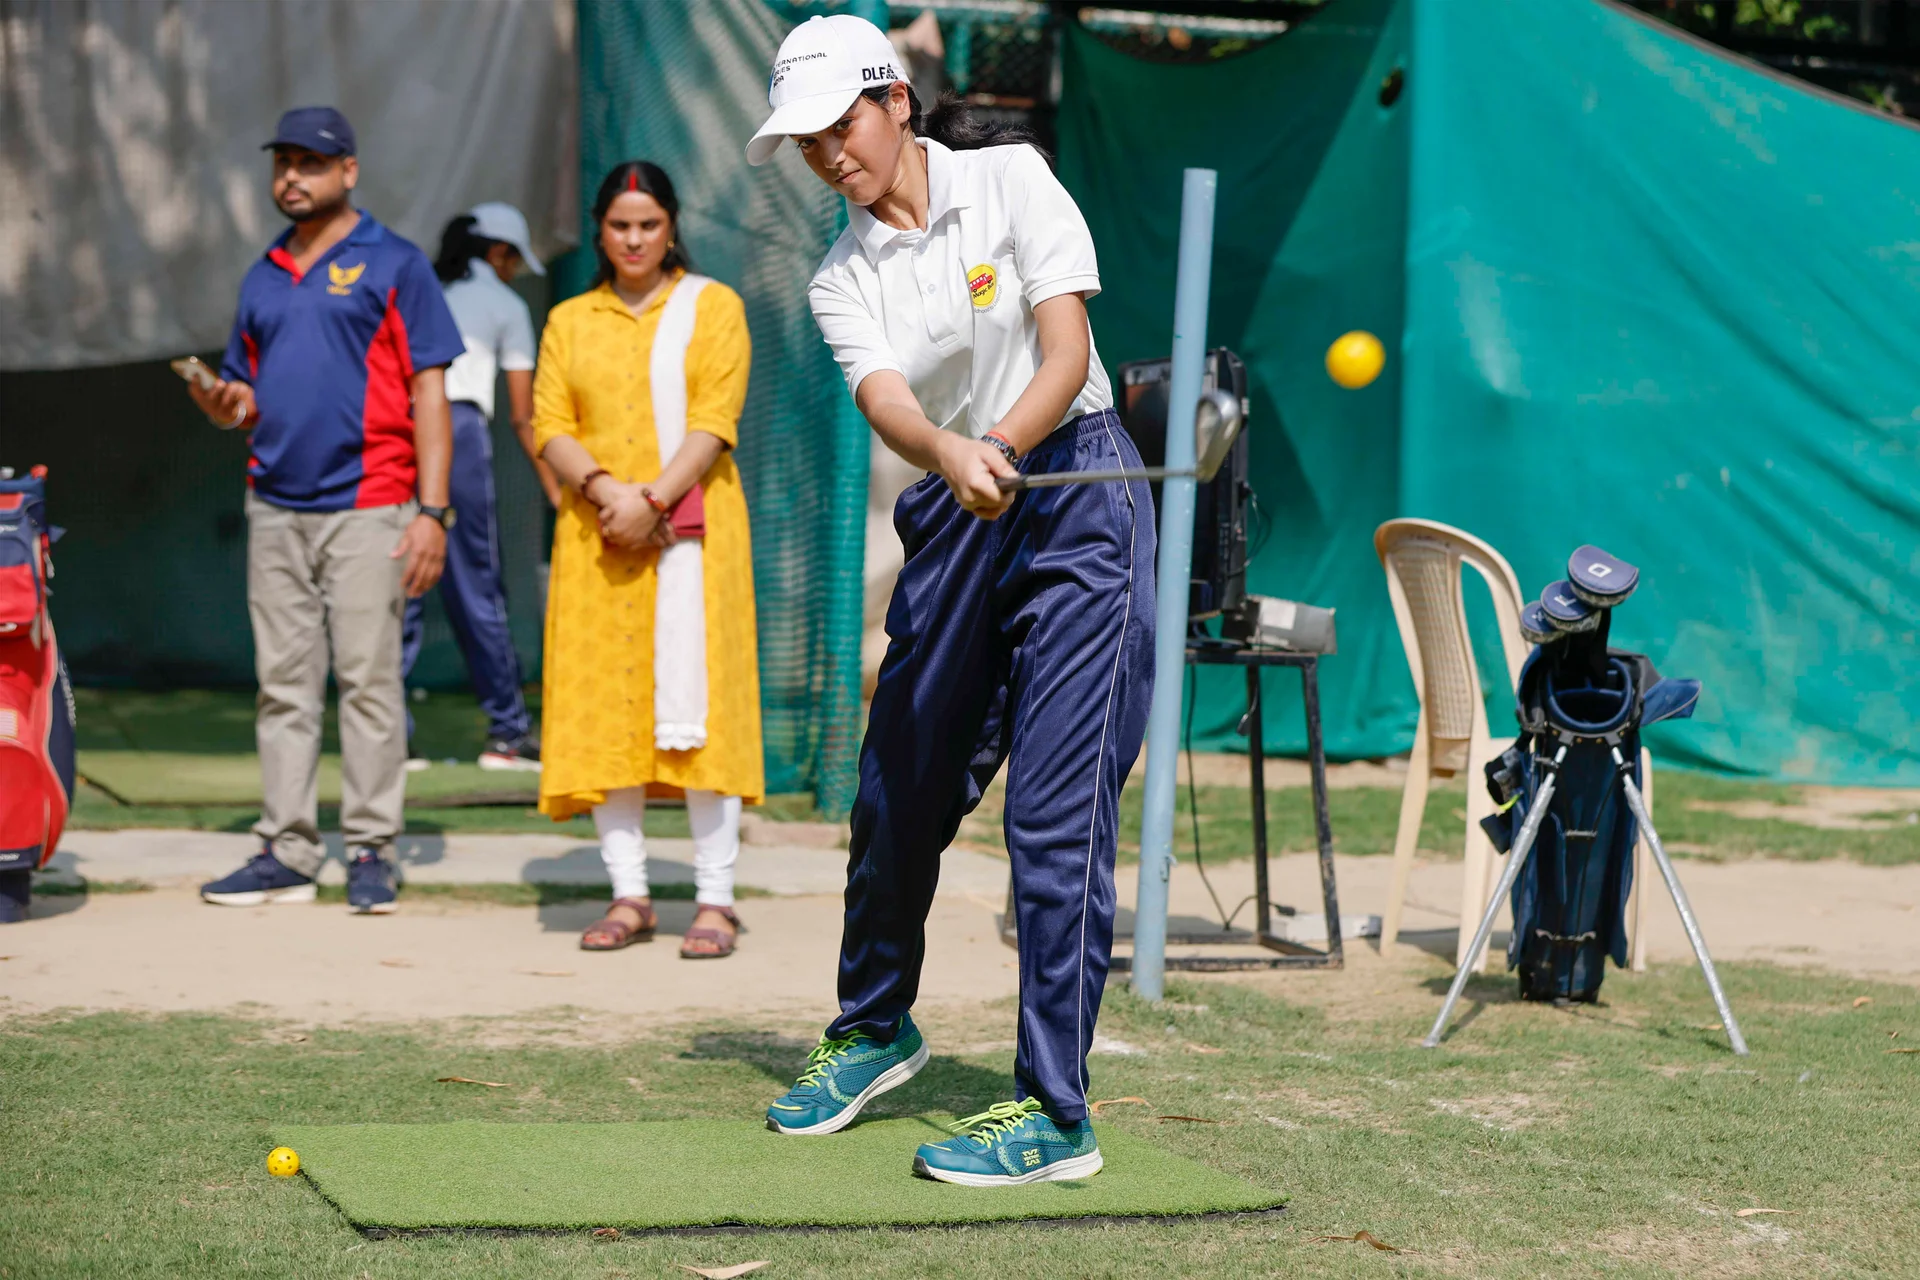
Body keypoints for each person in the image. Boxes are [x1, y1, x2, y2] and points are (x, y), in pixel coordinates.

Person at [744, 16, 1155, 1186]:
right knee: (897, 783)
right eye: (807, 139)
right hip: (957, 508)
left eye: (840, 124)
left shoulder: (1014, 178)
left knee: (1055, 808)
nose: (828, 154)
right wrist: (952, 454)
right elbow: (889, 407)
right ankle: (876, 1026)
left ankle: (1057, 1112)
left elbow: (1065, 352)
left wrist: (1002, 444)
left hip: (1077, 488)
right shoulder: (839, 277)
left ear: (896, 101)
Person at [185, 106, 463, 914]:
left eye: (311, 162)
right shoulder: (264, 270)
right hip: (273, 505)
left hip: (372, 506)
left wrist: (431, 513)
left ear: (349, 172)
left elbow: (430, 395)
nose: (292, 177)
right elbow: (243, 397)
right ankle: (289, 848)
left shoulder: (397, 263)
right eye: (283, 163)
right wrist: (219, 400)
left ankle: (372, 848)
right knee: (282, 687)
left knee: (370, 684)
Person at [531, 161, 763, 960]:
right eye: (620, 225)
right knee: (607, 712)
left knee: (706, 714)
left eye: (649, 225)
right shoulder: (569, 320)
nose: (634, 240)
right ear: (600, 229)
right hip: (599, 538)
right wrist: (604, 493)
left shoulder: (712, 308)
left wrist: (654, 500)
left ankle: (715, 899)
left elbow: (714, 416)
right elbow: (549, 420)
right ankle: (629, 893)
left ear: (672, 228)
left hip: (693, 537)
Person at [401, 203, 556, 772]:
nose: (516, 272)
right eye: (515, 260)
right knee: (477, 587)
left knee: (401, 583)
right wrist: (555, 488)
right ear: (499, 253)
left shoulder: (422, 290)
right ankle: (509, 736)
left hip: (401, 427)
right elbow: (523, 416)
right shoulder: (506, 305)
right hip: (458, 433)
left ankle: (390, 741)